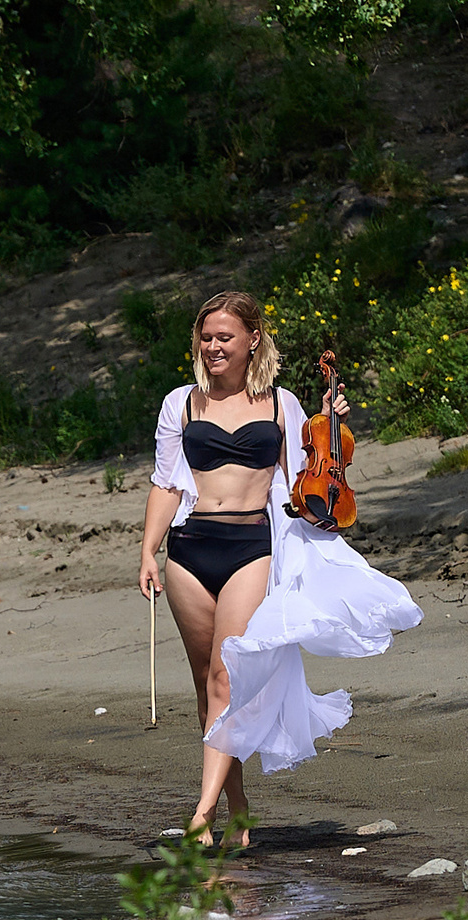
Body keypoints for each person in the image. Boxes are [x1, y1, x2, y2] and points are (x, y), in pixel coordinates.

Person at [135, 291, 422, 846]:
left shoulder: (279, 405)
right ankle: (237, 805)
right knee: (206, 685)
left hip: (251, 549)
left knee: (227, 678)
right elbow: (166, 482)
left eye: (225, 337)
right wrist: (148, 550)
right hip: (189, 549)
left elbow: (306, 479)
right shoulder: (181, 404)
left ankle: (202, 815)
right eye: (207, 336)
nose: (214, 346)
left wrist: (329, 427)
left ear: (252, 341)